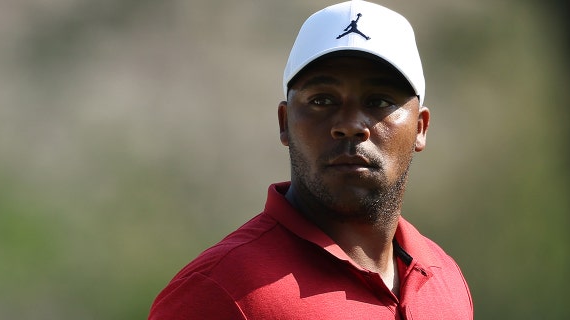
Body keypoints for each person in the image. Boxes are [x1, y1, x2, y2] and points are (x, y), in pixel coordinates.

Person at [149, 1, 473, 319]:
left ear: (420, 128)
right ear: (284, 122)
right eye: (322, 100)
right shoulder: (218, 292)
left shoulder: (445, 277)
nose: (350, 125)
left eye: (379, 101)